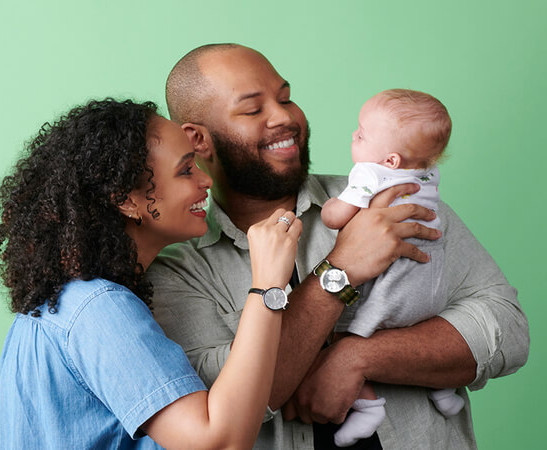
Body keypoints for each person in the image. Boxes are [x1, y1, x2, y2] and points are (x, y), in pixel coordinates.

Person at [148, 44, 529, 449]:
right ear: (197, 139)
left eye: (285, 98)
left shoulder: (394, 197)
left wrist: (358, 356)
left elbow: (507, 330)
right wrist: (341, 267)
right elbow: (221, 404)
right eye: (254, 109)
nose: (285, 117)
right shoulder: (177, 269)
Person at [0, 98, 303, 449]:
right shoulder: (99, 308)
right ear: (126, 200)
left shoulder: (72, 300)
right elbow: (220, 442)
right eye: (186, 171)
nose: (206, 181)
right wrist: (268, 285)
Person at [322, 89, 464, 446]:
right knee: (419, 337)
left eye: (362, 133)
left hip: (390, 290)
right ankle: (443, 389)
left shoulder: (370, 174)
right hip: (430, 289)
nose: (354, 135)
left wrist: (329, 207)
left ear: (390, 160)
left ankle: (368, 407)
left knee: (340, 339)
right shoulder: (428, 175)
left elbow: (336, 217)